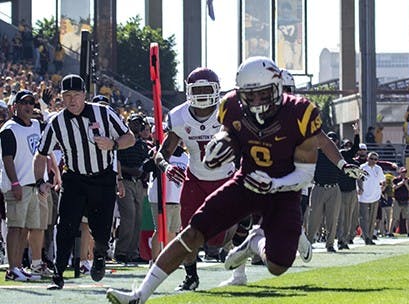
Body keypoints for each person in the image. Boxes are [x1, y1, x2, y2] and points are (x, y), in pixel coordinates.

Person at [106, 57, 361, 304]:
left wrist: (280, 183)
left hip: (284, 189)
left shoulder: (300, 113)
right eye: (250, 95)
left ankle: (254, 242)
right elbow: (230, 137)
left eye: (263, 93)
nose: (257, 101)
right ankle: (140, 295)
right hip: (244, 181)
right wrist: (223, 144)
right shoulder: (231, 107)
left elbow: (305, 172)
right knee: (193, 233)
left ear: (277, 87)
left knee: (277, 264)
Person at [34, 74, 135, 290]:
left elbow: (130, 138)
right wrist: (39, 181)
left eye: (76, 95)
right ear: (61, 97)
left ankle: (99, 255)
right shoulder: (56, 122)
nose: (72, 100)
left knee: (101, 228)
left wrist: (113, 144)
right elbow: (41, 153)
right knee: (65, 227)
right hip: (74, 179)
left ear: (84, 95)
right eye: (67, 95)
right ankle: (58, 274)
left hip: (103, 178)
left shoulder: (104, 112)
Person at [152, 67, 238, 291]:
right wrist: (167, 167)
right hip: (195, 179)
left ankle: (241, 226)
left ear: (216, 90)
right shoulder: (179, 116)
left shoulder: (227, 112)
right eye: (196, 89)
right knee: (187, 232)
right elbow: (161, 153)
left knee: (216, 241)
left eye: (205, 89)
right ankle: (191, 278)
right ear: (188, 91)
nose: (201, 93)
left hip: (224, 178)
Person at [0, 90, 45, 281]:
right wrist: (15, 183)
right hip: (17, 184)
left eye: (31, 103)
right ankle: (12, 268)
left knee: (25, 228)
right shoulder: (9, 129)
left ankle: (18, 266)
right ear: (15, 106)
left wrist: (42, 181)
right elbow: (7, 158)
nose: (28, 106)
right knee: (15, 227)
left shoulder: (36, 125)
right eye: (24, 103)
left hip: (33, 185)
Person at [114, 114, 153, 264]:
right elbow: (116, 162)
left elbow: (145, 163)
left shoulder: (142, 145)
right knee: (128, 217)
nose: (137, 125)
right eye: (135, 122)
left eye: (140, 123)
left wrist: (143, 173)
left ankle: (133, 252)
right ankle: (121, 251)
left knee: (138, 219)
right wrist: (131, 171)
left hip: (139, 183)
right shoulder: (123, 142)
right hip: (126, 181)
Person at [357, 152, 385, 245]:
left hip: (375, 196)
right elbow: (358, 179)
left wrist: (381, 189)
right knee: (364, 218)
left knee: (373, 218)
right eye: (371, 158)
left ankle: (369, 236)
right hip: (363, 196)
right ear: (367, 158)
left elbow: (383, 180)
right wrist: (360, 188)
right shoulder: (362, 167)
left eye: (375, 159)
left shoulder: (378, 168)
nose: (373, 161)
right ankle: (366, 237)